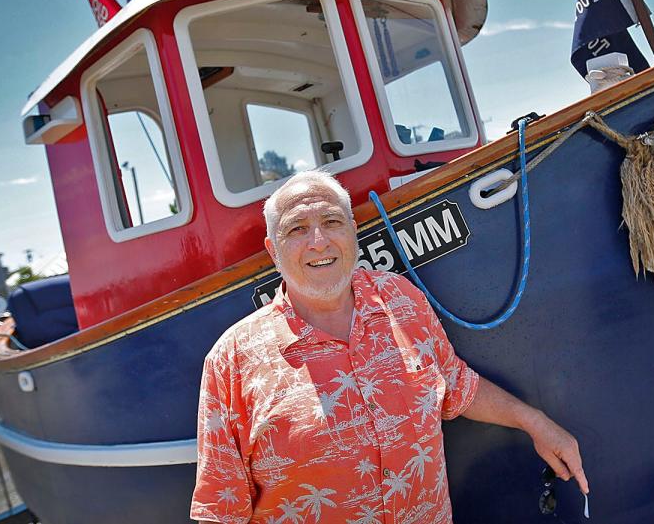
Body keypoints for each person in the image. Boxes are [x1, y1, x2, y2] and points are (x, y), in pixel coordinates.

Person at [191, 170, 588, 523]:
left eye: (332, 222)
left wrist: (534, 422)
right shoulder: (232, 360)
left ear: (352, 232)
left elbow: (453, 385)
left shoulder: (400, 299)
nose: (318, 241)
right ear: (273, 250)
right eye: (297, 228)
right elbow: (221, 509)